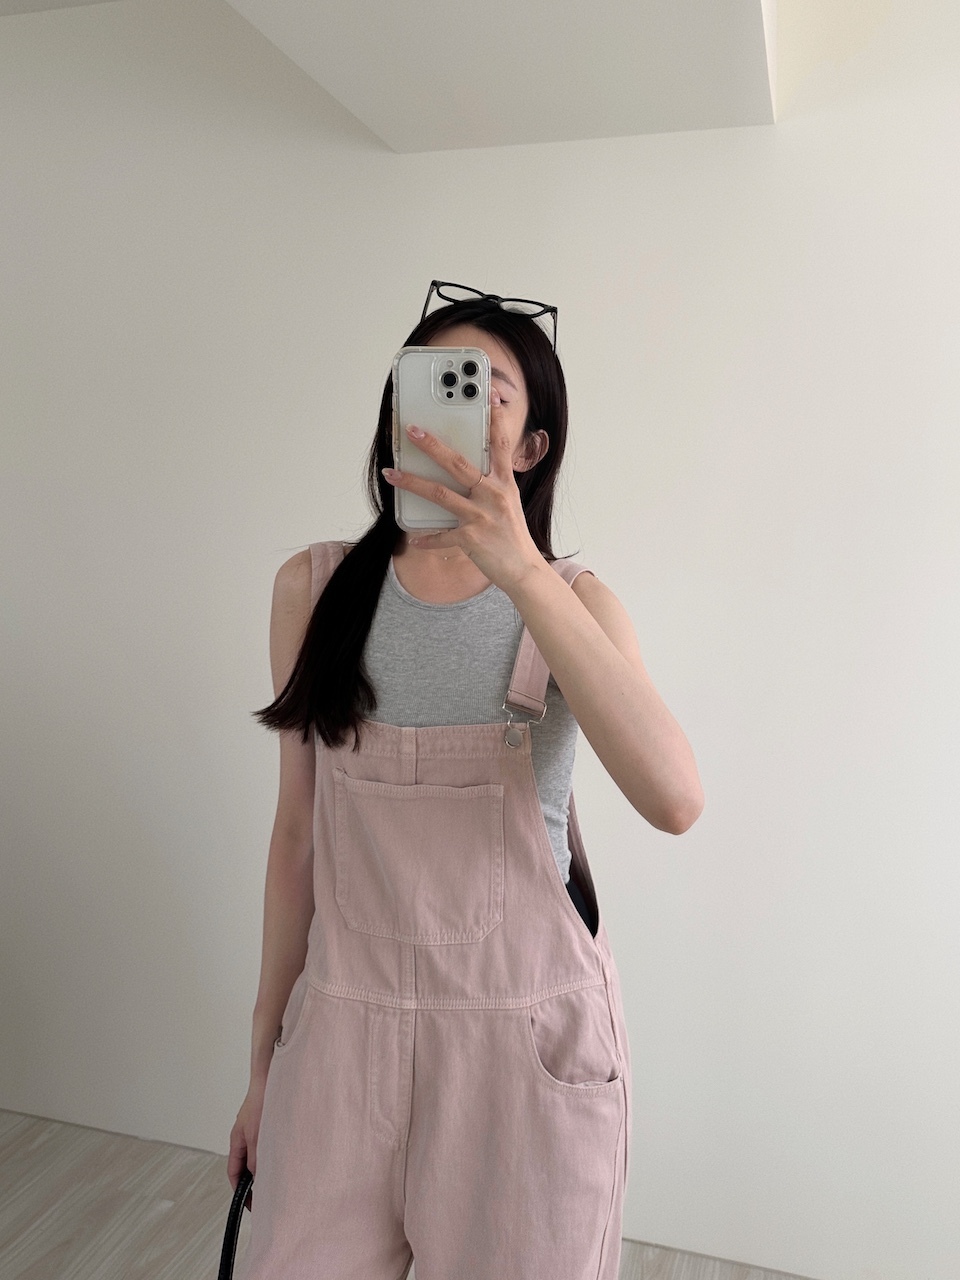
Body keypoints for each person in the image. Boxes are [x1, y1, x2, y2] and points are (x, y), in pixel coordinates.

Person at [228, 281, 704, 1279]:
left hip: (522, 1059)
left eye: (487, 390)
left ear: (531, 446)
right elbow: (296, 841)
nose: (451, 404)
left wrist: (520, 569)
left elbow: (675, 798)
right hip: (339, 1042)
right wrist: (264, 1067)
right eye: (432, 380)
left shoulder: (574, 604)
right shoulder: (312, 591)